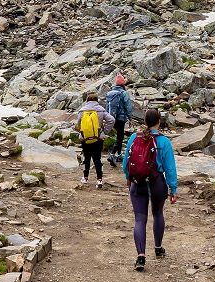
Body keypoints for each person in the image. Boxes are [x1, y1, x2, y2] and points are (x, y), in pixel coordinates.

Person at [122, 108, 178, 271]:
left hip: (137, 183)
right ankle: (158, 249)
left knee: (140, 218)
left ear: (145, 121)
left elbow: (126, 162)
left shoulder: (134, 137)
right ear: (158, 121)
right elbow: (170, 168)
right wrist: (173, 189)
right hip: (157, 183)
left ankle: (140, 256)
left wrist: (128, 177)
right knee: (157, 213)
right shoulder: (164, 142)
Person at [75, 93, 114, 188]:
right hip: (98, 138)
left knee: (86, 158)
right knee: (97, 159)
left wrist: (81, 131)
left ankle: (85, 178)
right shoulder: (101, 110)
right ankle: (99, 180)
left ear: (87, 100)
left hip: (85, 138)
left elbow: (77, 125)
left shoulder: (82, 111)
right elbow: (111, 120)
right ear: (97, 101)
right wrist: (104, 132)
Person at [105, 74, 133, 166]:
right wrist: (130, 117)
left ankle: (119, 155)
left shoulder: (110, 93)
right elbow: (128, 106)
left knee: (119, 135)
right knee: (120, 136)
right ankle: (112, 154)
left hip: (112, 117)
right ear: (123, 84)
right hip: (121, 118)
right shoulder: (123, 93)